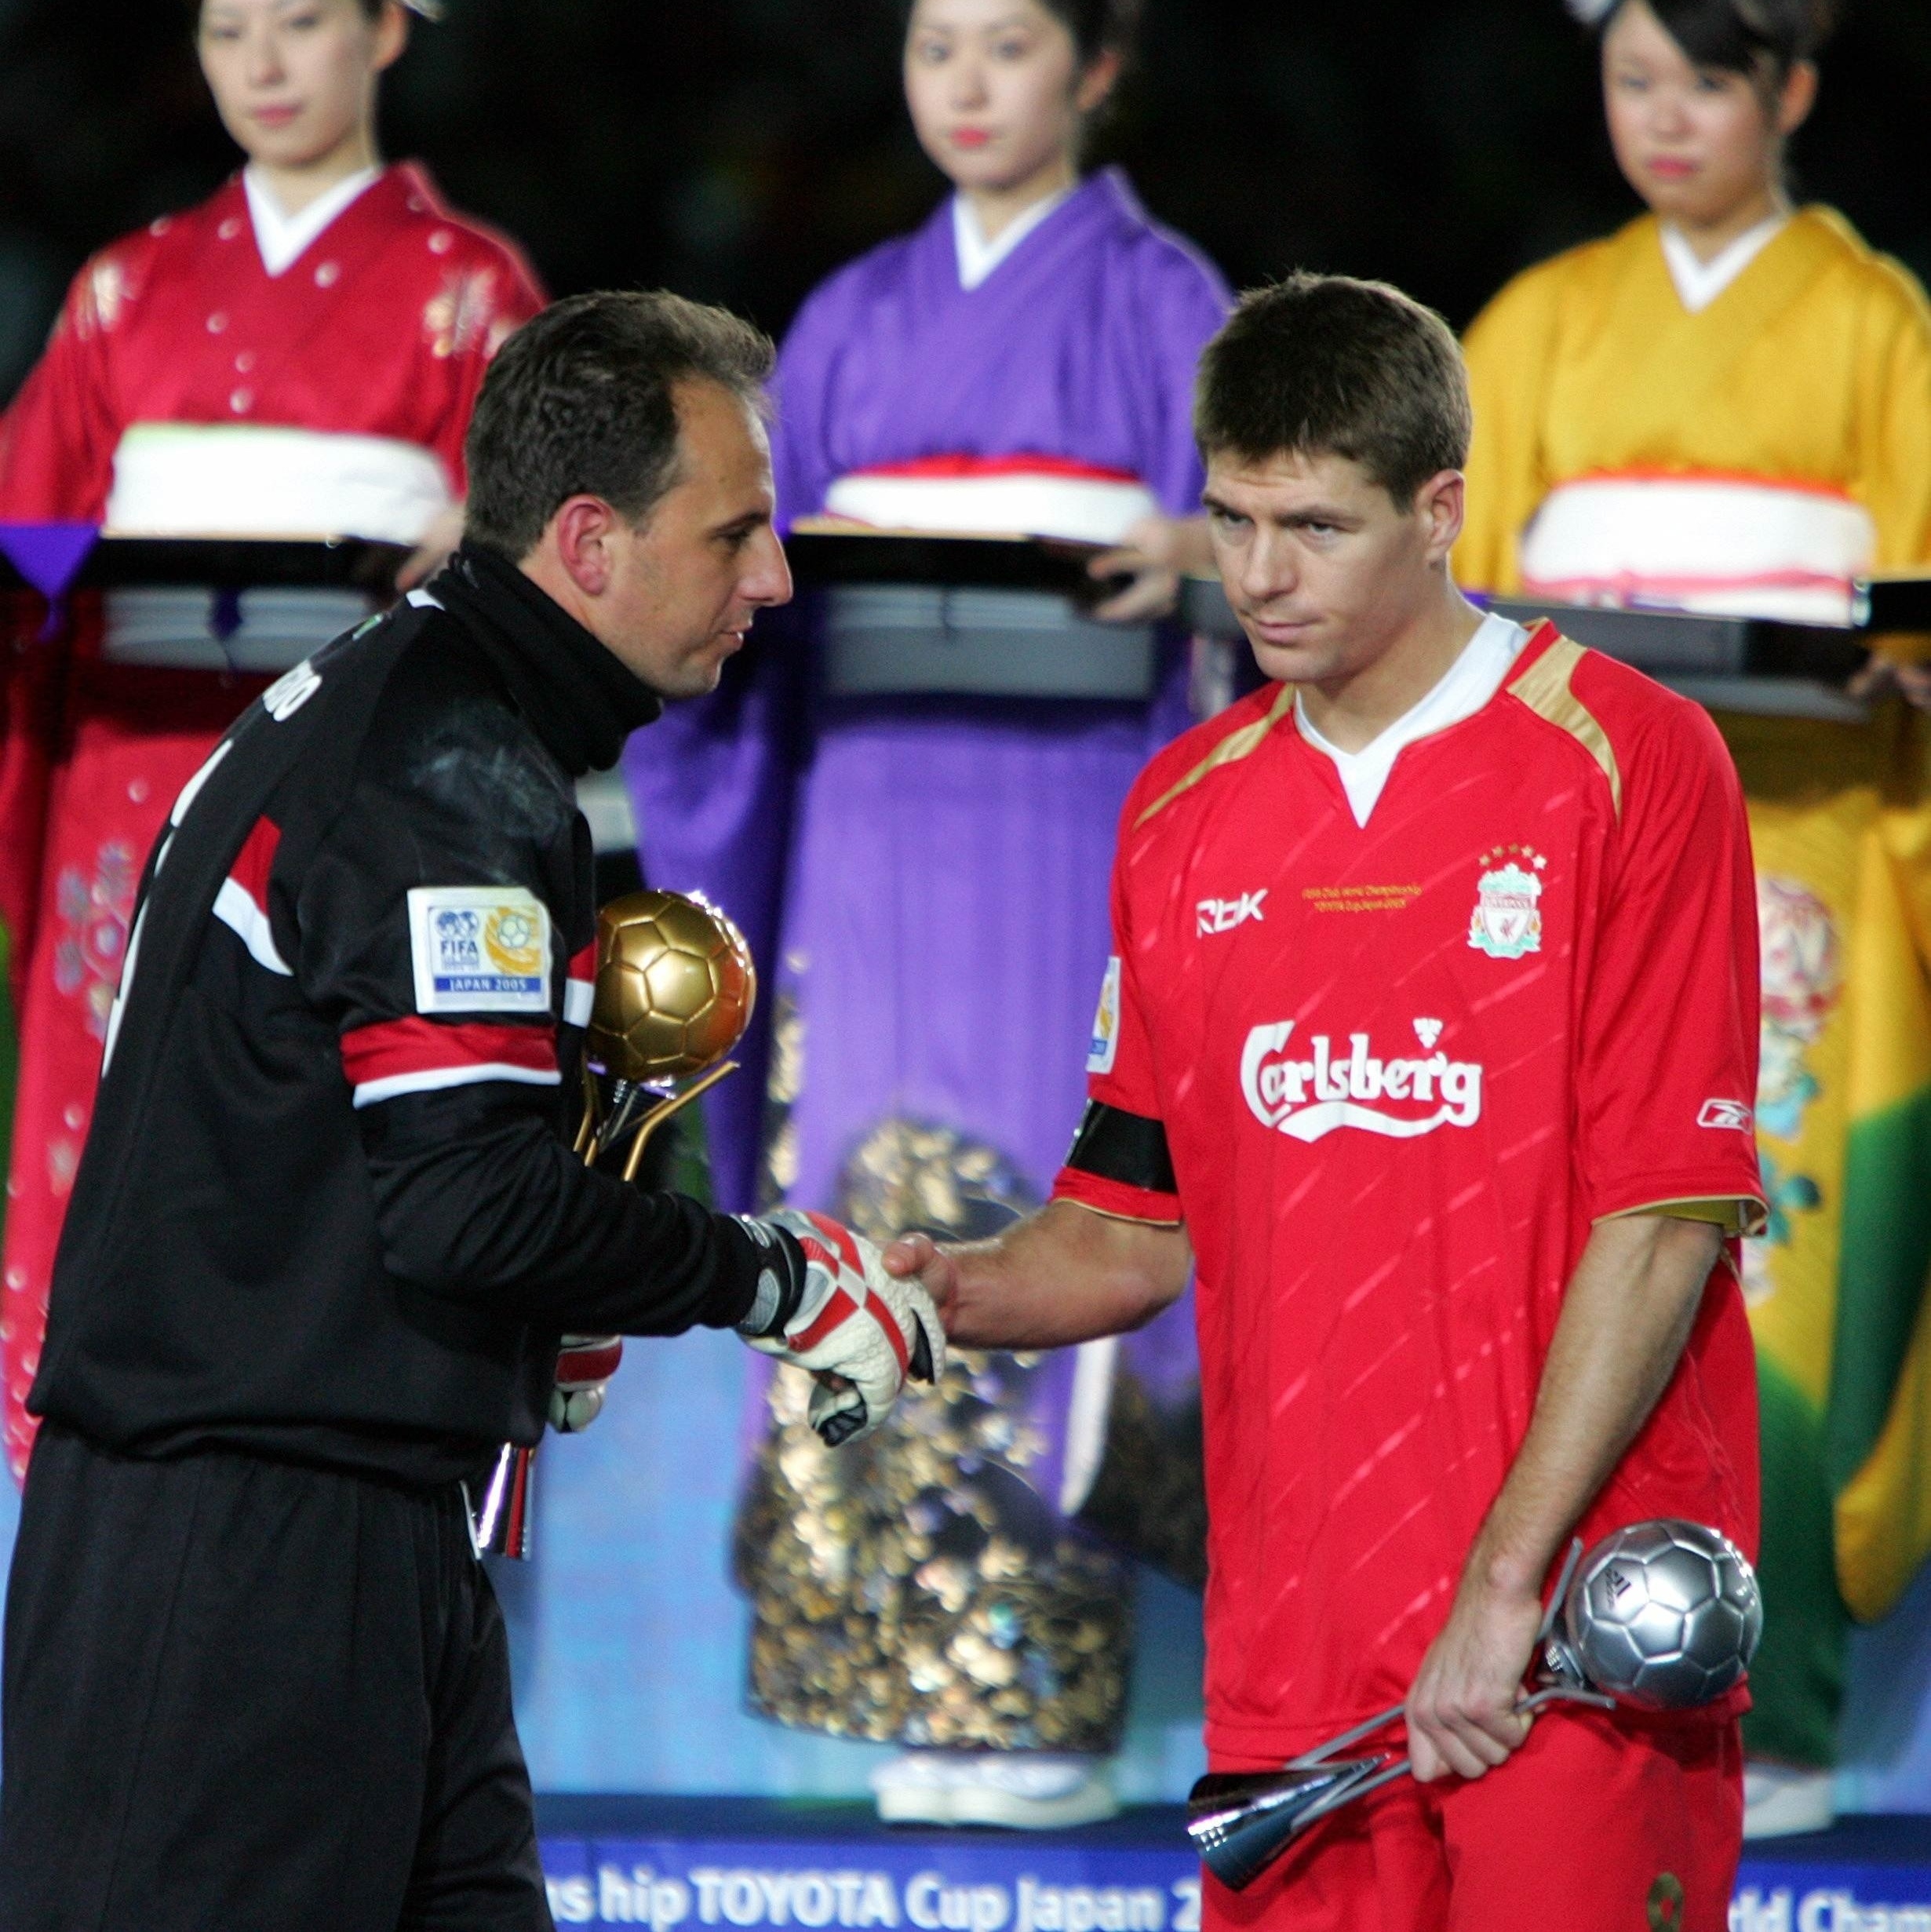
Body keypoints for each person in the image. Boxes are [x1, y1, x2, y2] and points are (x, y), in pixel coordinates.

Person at [0, 290, 944, 1932]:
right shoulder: (448, 773)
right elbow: (468, 1203)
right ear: (588, 542)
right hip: (246, 1569)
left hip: (330, 1538)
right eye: (733, 533)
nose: (775, 578)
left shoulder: (431, 715)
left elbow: (432, 1195)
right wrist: (779, 1281)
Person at [887, 274, 1766, 1929]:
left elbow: (1661, 1215)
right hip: (1296, 1648)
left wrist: (1503, 1589)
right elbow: (1131, 1227)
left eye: (1315, 525)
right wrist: (941, 1291)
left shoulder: (1629, 762)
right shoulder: (1181, 814)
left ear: (1442, 510)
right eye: (1228, 518)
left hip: (1567, 1641)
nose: (1259, 575)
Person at [629, 0, 1230, 1828]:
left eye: (1010, 48)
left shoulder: (1168, 299)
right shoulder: (843, 319)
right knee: (859, 1198)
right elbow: (750, 558)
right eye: (934, 49)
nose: (966, 86)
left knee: (1054, 1194)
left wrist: (1201, 557)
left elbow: (1267, 537)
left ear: (1100, 67)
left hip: (1074, 825)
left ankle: (1043, 1692)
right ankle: (893, 1678)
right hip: (870, 827)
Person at [1456, 0, 1931, 1835]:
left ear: (1793, 89)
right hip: (1590, 856)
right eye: (1629, 81)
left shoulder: (1878, 320)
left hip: (1807, 844)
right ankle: (1563, 1693)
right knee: (1566, 1274)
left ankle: (1782, 1708)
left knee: (1786, 1275)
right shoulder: (1535, 321)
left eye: (1704, 86)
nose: (1661, 121)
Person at [0, 0, 545, 1480]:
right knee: (123, 1135)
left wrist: (478, 541)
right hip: (133, 773)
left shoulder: (471, 292)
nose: (262, 60)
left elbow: (535, 558)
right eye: (226, 27)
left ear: (384, 32)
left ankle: (326, 1464)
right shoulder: (123, 290)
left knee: (317, 1142)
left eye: (301, 21)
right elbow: (25, 539)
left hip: (350, 793)